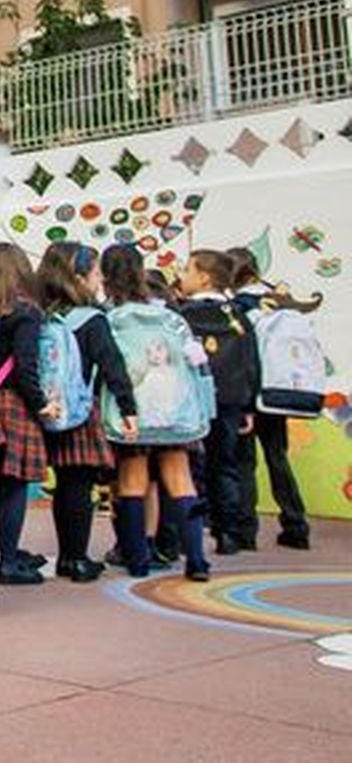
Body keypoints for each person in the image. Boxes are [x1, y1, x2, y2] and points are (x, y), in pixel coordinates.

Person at [101, 244, 210, 582]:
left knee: (132, 481)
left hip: (131, 414)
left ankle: (137, 560)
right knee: (180, 480)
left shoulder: (110, 318)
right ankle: (196, 560)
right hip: (175, 412)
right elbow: (196, 362)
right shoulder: (170, 318)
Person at [36, 242, 137, 582]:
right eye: (95, 273)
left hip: (50, 407)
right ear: (78, 277)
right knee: (78, 486)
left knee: (63, 486)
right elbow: (112, 364)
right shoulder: (93, 320)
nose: (100, 279)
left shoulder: (42, 314)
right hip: (81, 408)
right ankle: (76, 558)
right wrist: (128, 407)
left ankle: (67, 556)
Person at [0, 243, 59, 586]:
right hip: (14, 404)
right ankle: (9, 560)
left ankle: (7, 552)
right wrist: (41, 403)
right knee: (14, 485)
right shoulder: (26, 312)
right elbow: (26, 365)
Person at [227, 247, 311, 550]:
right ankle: (296, 523)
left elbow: (240, 355)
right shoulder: (280, 303)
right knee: (278, 457)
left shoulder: (238, 307)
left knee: (243, 463)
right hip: (278, 392)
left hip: (249, 393)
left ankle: (245, 530)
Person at [179, 250, 260, 555]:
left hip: (192, 402)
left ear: (204, 277)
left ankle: (185, 536)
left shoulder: (184, 315)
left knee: (187, 468)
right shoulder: (237, 316)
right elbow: (252, 361)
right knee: (225, 465)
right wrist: (249, 405)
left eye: (188, 270)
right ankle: (230, 533)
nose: (182, 276)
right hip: (230, 400)